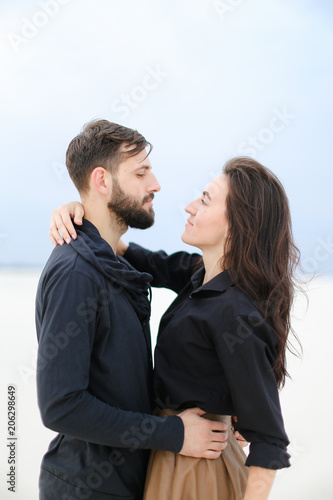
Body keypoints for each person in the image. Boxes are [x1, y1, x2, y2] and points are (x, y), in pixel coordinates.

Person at [51, 156, 298, 500]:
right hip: (171, 452)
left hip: (198, 470)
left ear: (239, 223)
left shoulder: (235, 311)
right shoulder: (200, 274)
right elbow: (142, 258)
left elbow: (269, 439)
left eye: (205, 200)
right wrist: (77, 211)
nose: (189, 206)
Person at [36, 119, 231, 500]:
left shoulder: (112, 261)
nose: (155, 184)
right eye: (141, 173)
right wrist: (173, 434)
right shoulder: (76, 273)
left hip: (132, 482)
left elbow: (196, 274)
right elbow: (61, 406)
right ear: (102, 181)